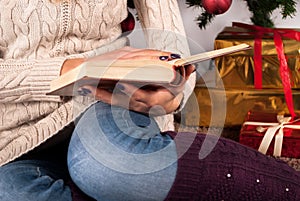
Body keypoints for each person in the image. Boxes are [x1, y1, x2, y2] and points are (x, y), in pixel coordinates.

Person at [0, 1, 299, 201]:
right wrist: (71, 71)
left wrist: (173, 91)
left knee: (112, 166)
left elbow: (172, 47)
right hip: (12, 133)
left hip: (108, 102)